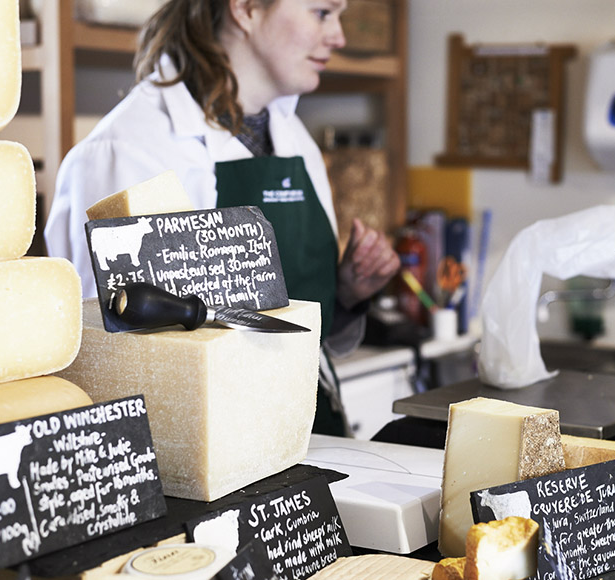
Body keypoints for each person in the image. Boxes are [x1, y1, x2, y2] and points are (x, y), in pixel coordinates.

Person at [44, 0, 400, 435]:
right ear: (246, 9)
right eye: (322, 13)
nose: (339, 37)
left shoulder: (295, 141)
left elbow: (311, 337)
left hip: (306, 432)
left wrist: (344, 293)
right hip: (201, 447)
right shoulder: (127, 152)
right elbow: (104, 355)